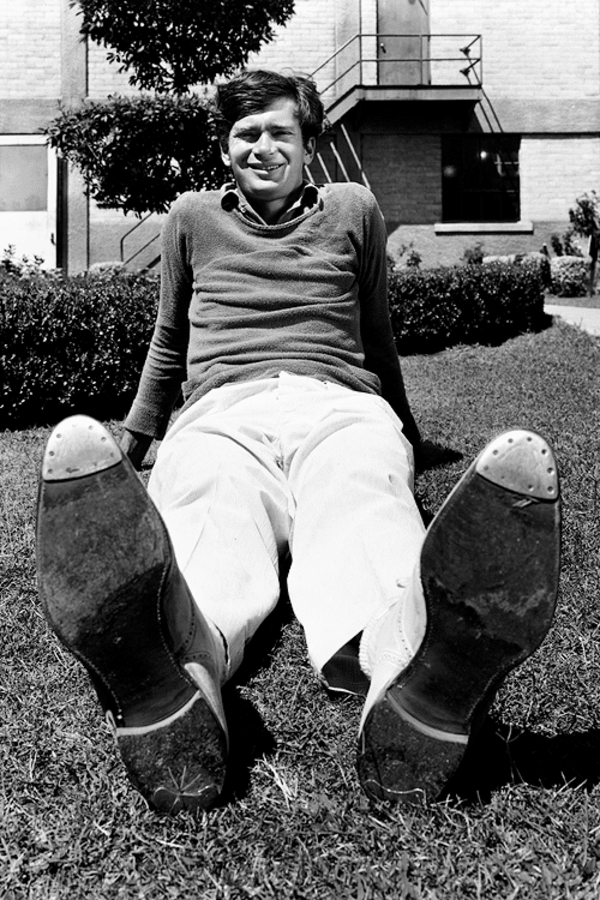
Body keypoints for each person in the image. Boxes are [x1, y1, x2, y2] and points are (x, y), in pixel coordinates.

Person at [36, 69, 561, 815]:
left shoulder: (354, 210)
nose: (263, 147)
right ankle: (184, 672)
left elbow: (376, 332)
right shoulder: (190, 217)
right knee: (208, 495)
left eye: (280, 131)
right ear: (224, 149)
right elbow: (168, 338)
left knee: (361, 492)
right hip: (222, 408)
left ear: (309, 144)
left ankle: (404, 668)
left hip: (338, 401)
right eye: (245, 133)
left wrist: (402, 434)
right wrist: (136, 437)